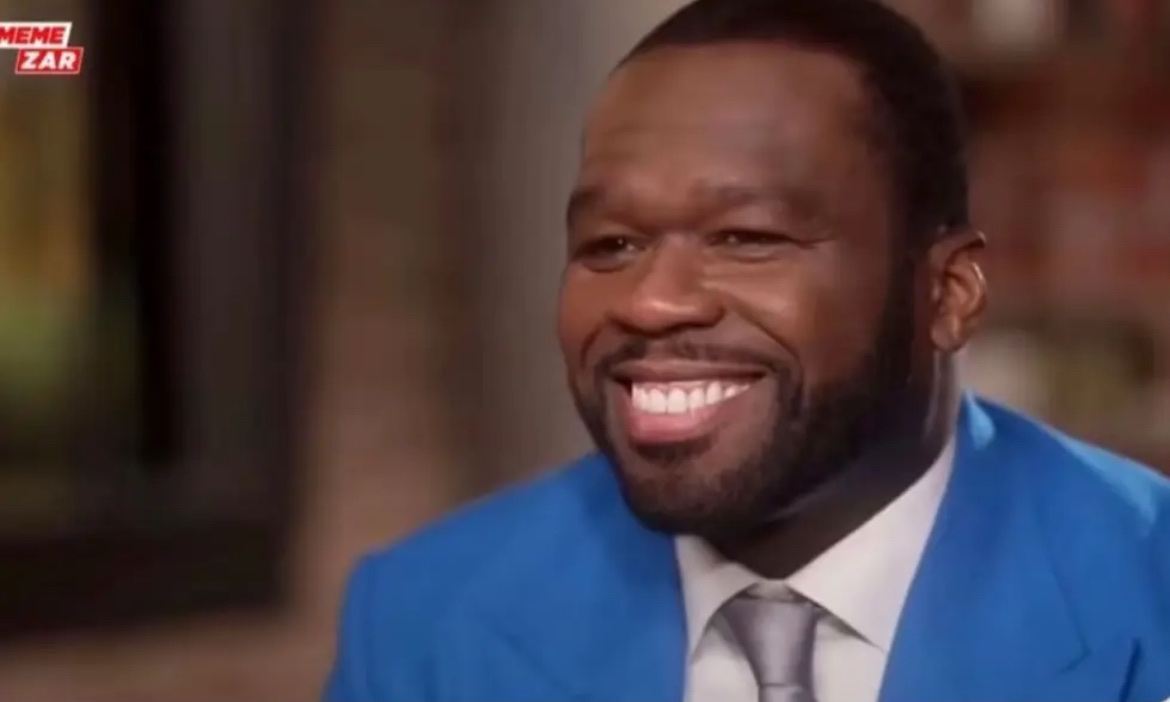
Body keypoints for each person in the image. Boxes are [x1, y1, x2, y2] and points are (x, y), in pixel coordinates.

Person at [323, 0, 1170, 700]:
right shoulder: (423, 621)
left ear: (947, 294)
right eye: (611, 245)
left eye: (746, 237)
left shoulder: (1146, 588)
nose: (650, 301)